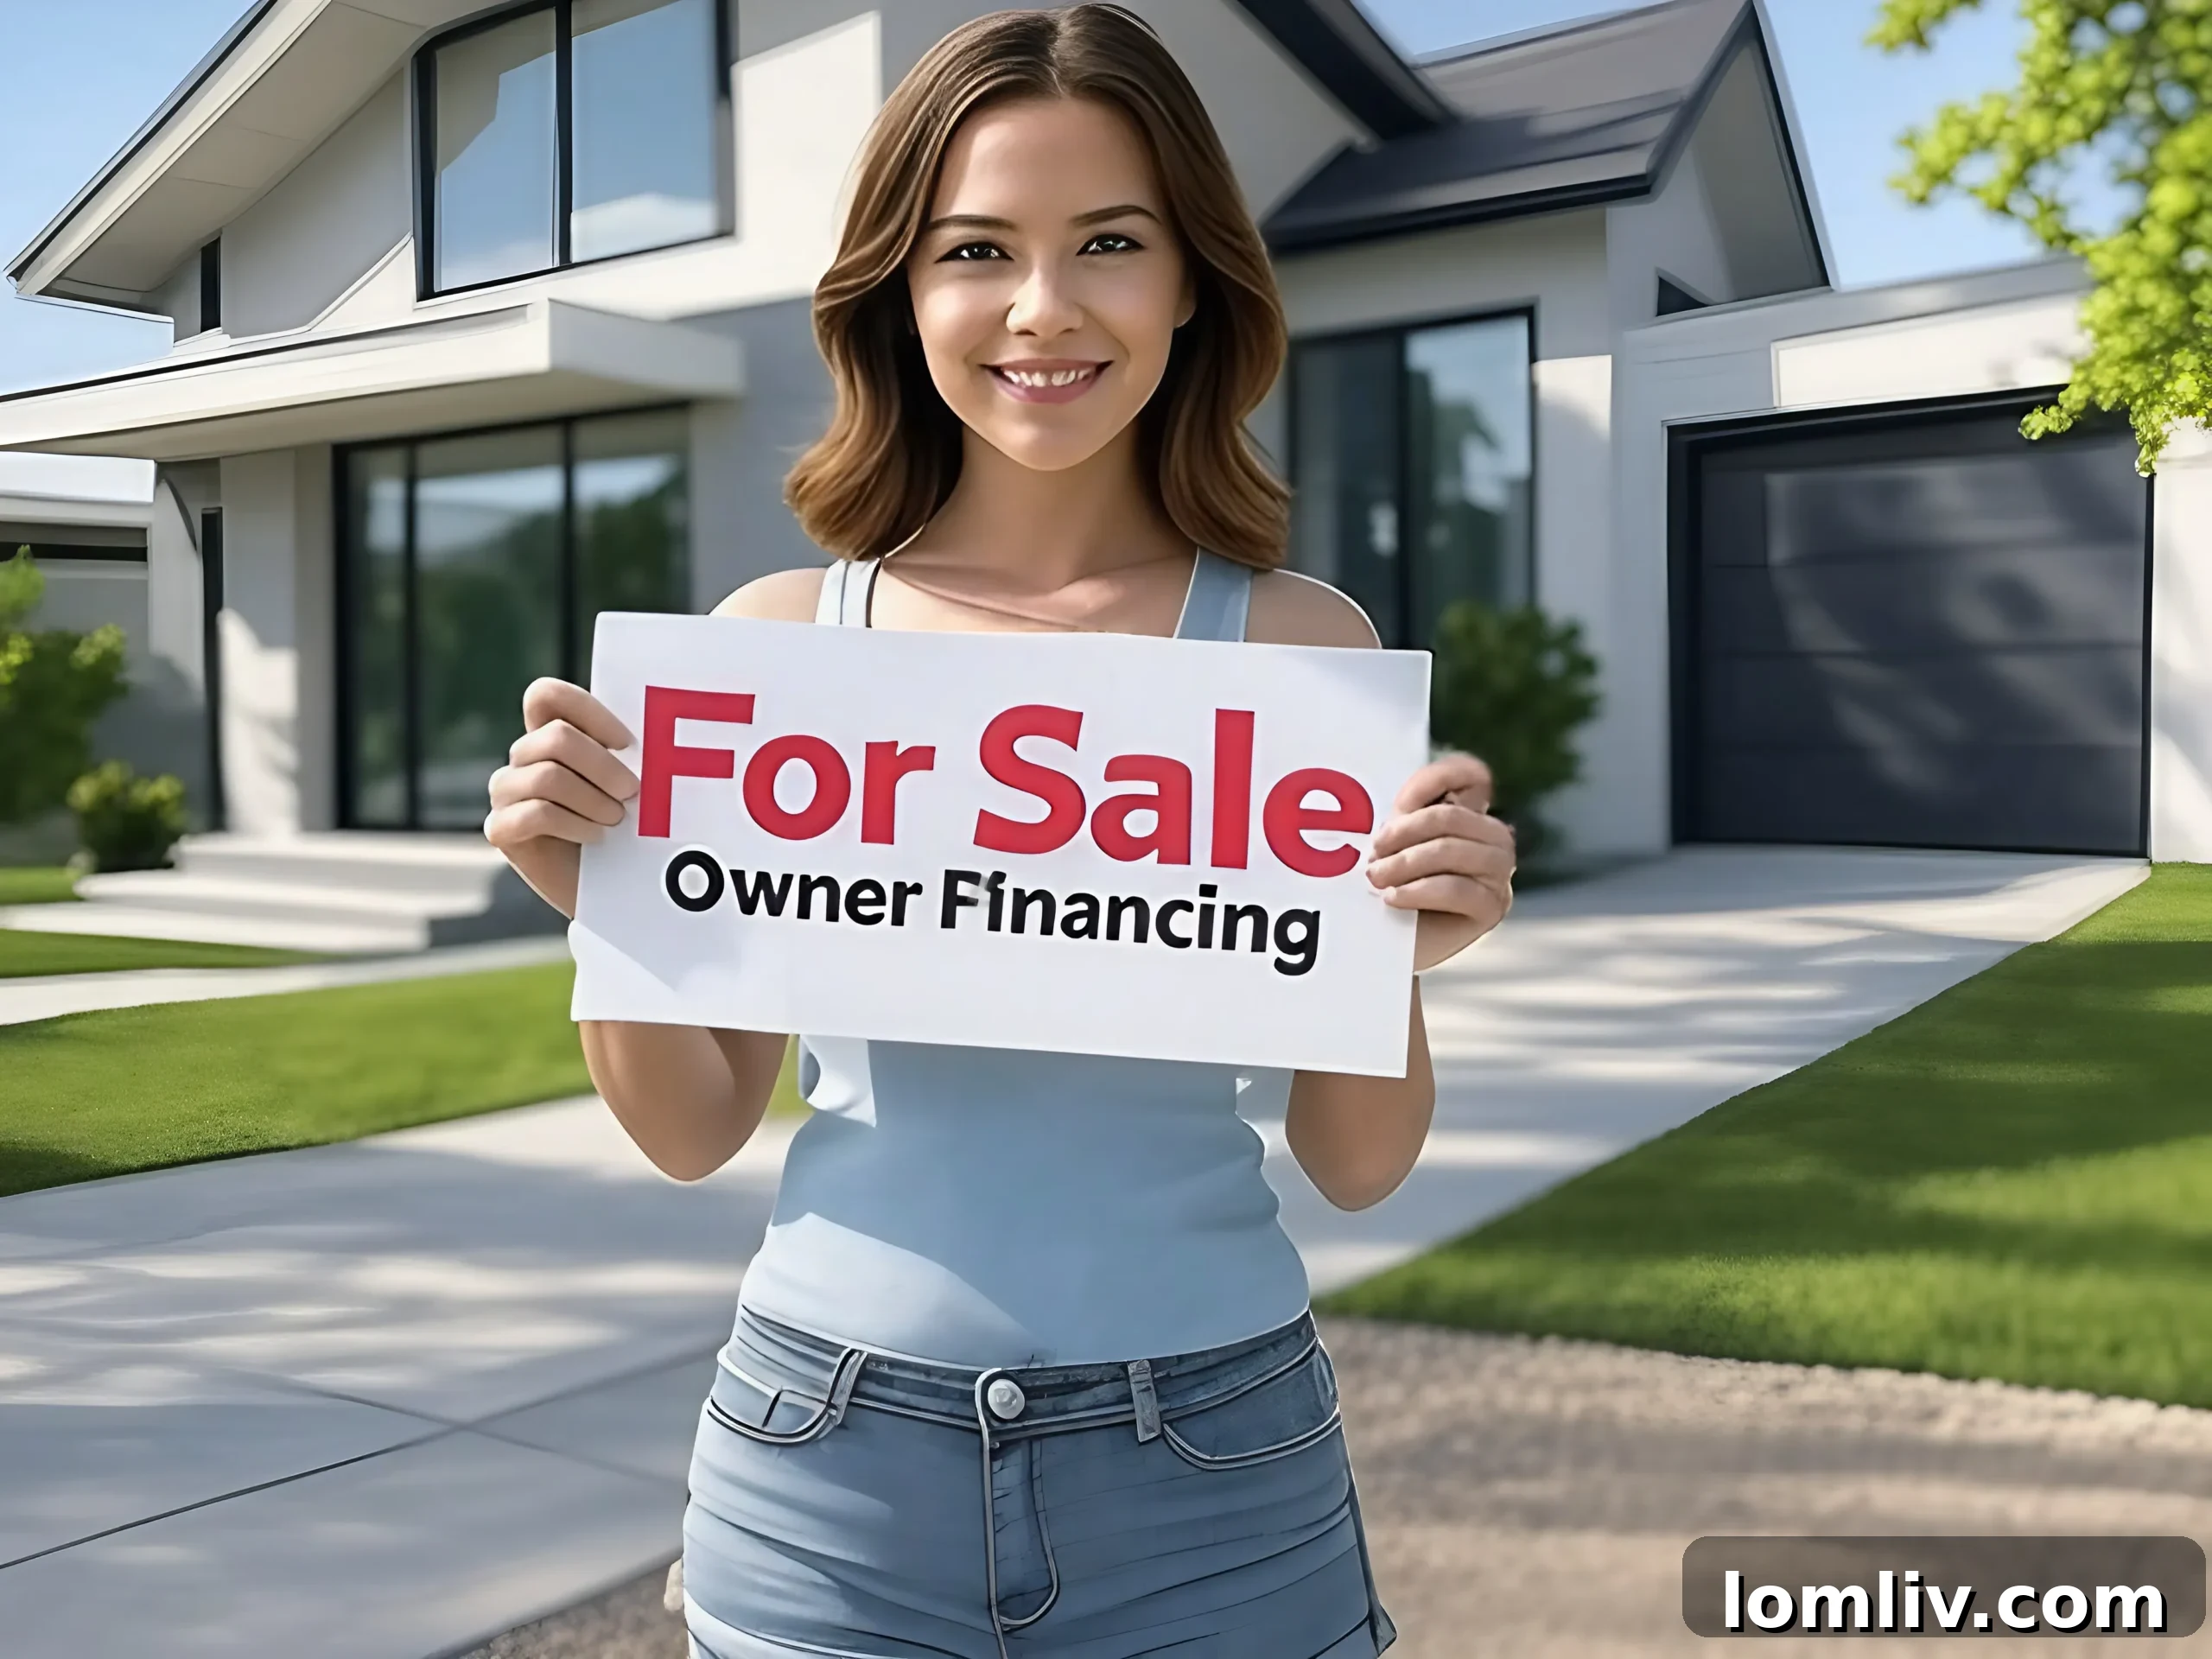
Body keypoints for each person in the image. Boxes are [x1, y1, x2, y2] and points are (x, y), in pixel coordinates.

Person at [483, 8, 1515, 1655]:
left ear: (1193, 282)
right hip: (821, 1465)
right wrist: (598, 902)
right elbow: (689, 1129)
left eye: (1110, 240)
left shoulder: (1299, 652)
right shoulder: (778, 645)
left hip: (1217, 1463)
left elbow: (1360, 1160)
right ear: (903, 290)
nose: (1044, 307)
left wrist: (1397, 947)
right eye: (977, 248)